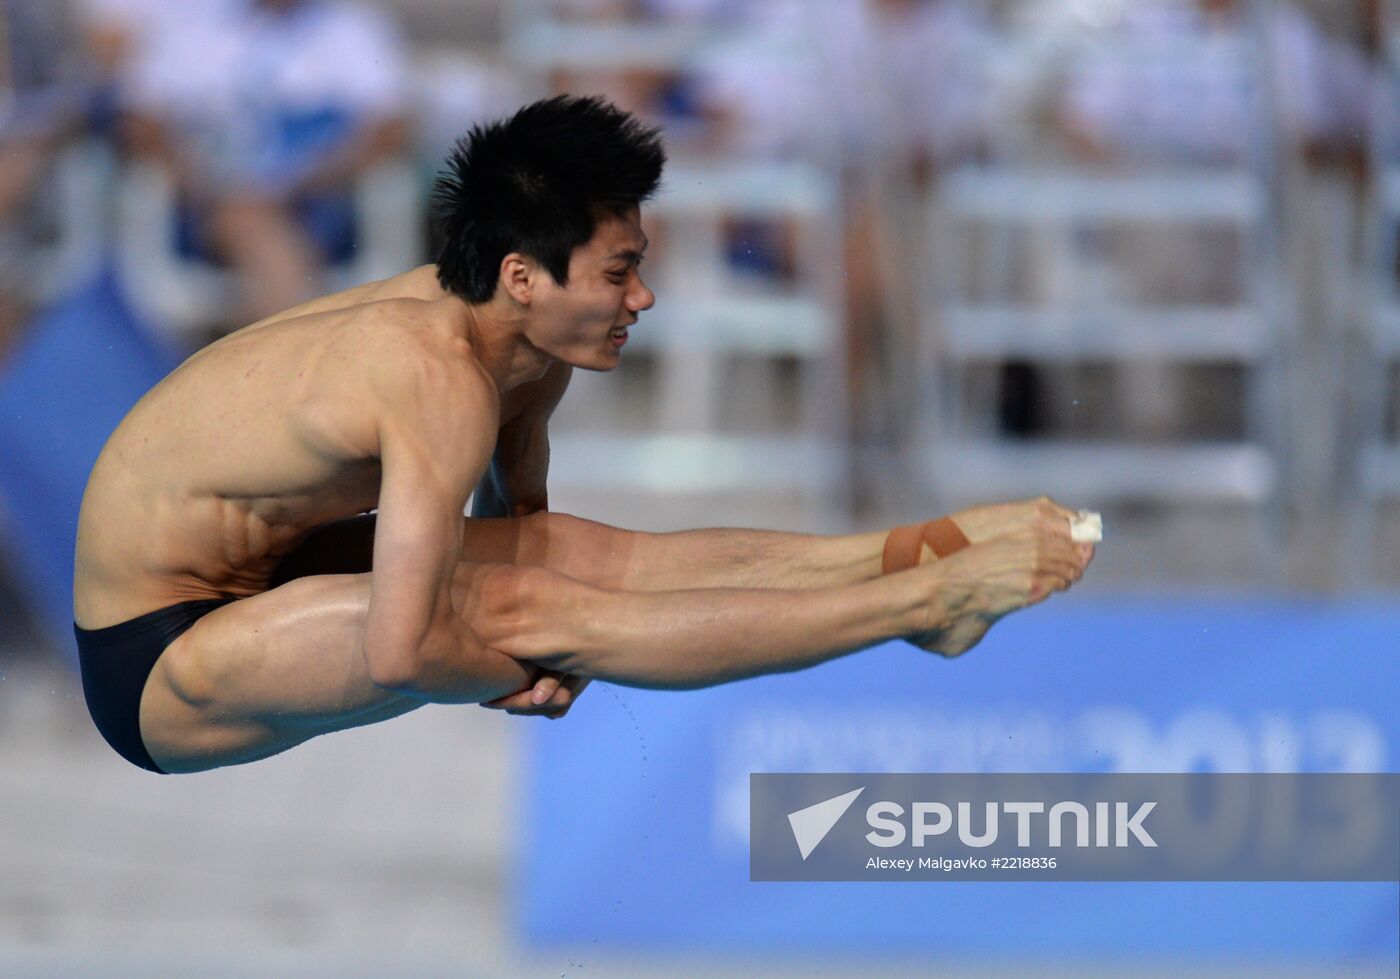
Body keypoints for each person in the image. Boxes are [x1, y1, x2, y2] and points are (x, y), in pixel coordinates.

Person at [72, 95, 1094, 775]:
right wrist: (515, 665)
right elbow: (403, 646)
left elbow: (528, 532)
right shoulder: (431, 373)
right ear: (523, 275)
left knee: (553, 563)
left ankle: (901, 555)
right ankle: (926, 601)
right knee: (527, 601)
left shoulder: (524, 344)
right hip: (158, 652)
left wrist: (535, 637)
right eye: (618, 272)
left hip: (263, 563)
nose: (642, 295)